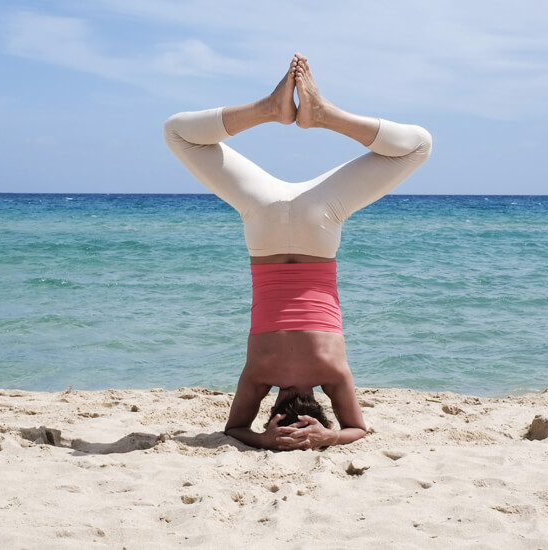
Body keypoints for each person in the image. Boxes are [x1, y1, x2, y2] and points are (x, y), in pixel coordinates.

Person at [164, 53, 431, 450]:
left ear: (322, 405)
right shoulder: (259, 375)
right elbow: (235, 430)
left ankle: (319, 114)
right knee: (177, 133)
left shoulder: (333, 373)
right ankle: (273, 109)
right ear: (272, 408)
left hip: (318, 226)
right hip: (264, 222)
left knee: (417, 146)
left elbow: (356, 429)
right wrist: (265, 440)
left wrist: (329, 436)